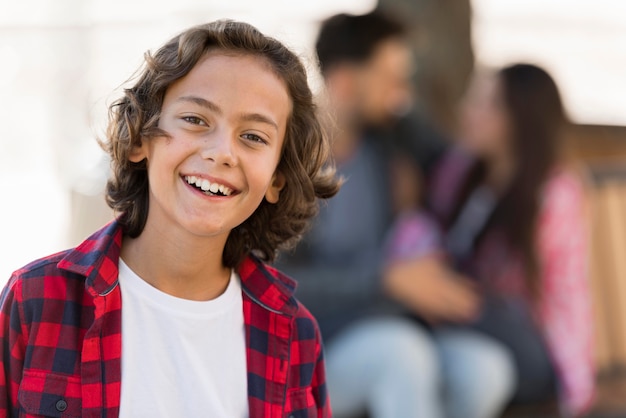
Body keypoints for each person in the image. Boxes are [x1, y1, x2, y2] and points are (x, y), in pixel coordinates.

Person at [0, 20, 340, 417]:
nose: (222, 153)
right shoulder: (37, 301)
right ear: (141, 137)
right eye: (196, 120)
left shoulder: (295, 334)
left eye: (253, 137)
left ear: (276, 179)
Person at [277, 10, 514, 418]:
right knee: (401, 355)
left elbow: (468, 166)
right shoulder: (285, 163)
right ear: (347, 82)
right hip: (316, 351)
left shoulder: (394, 138)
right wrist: (385, 280)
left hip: (399, 325)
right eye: (391, 79)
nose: (402, 93)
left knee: (485, 369)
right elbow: (276, 285)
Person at [386, 64, 595, 417]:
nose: (468, 111)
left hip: (524, 345)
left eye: (485, 104)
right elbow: (430, 230)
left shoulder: (553, 195)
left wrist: (576, 392)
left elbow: (566, 295)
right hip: (468, 329)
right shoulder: (463, 172)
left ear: (518, 118)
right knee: (469, 360)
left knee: (461, 300)